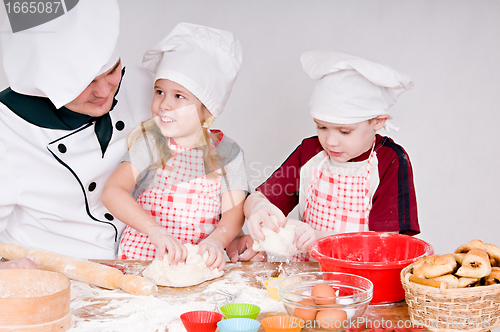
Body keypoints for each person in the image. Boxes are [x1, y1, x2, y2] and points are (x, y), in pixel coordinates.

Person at [0, 0, 153, 259]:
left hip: (148, 261)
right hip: (62, 278)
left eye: (111, 71)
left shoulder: (145, 87)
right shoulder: (7, 129)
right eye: (85, 83)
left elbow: (199, 158)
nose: (104, 92)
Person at [243, 50, 421, 261]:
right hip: (307, 278)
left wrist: (319, 238)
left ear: (378, 121)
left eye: (344, 131)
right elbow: (258, 197)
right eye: (322, 127)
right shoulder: (310, 151)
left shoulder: (390, 161)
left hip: (364, 284)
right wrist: (259, 208)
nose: (330, 141)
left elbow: (386, 243)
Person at [101, 23, 248, 270]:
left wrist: (215, 242)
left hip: (198, 264)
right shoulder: (151, 142)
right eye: (160, 91)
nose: (164, 105)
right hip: (144, 261)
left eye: (179, 96)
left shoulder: (228, 153)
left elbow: (233, 215)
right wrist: (157, 232)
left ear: (206, 109)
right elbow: (112, 192)